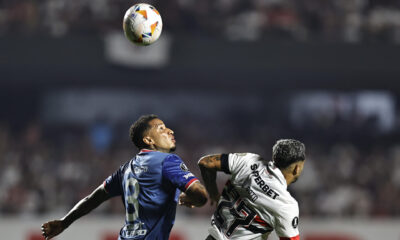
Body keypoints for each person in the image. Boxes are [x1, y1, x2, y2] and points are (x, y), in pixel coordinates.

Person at [41, 114, 208, 240]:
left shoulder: (125, 169)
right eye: (161, 128)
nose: (169, 131)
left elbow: (92, 199)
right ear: (148, 139)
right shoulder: (168, 161)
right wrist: (193, 198)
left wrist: (64, 222)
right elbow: (201, 195)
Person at [198, 139, 306, 240]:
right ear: (297, 168)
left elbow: (206, 163)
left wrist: (213, 193)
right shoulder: (286, 205)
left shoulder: (249, 161)